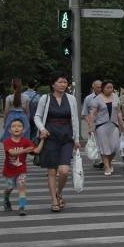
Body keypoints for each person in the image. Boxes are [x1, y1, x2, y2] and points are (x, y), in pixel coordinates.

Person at [34, 75, 81, 212]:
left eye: (65, 82)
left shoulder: (71, 99)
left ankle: (58, 193)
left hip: (66, 137)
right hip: (50, 137)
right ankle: (54, 200)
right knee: (52, 171)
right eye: (60, 82)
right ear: (53, 84)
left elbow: (75, 119)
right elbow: (37, 116)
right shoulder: (46, 98)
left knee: (64, 171)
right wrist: (42, 129)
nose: (63, 84)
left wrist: (77, 139)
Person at [1, 117, 40, 216]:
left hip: (21, 169)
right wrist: (25, 150)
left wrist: (43, 139)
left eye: (19, 126)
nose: (16, 128)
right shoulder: (7, 142)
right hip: (9, 170)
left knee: (21, 187)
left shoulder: (26, 141)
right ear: (9, 130)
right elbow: (12, 153)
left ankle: (22, 207)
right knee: (10, 187)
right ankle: (6, 196)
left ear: (23, 129)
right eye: (13, 126)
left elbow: (36, 151)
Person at [87, 81, 124, 177]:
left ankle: (108, 162)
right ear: (103, 88)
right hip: (101, 125)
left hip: (114, 125)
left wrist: (122, 124)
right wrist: (91, 127)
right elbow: (92, 114)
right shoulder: (97, 99)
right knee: (104, 147)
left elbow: (119, 112)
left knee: (115, 147)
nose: (110, 89)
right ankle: (107, 166)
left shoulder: (116, 97)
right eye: (107, 87)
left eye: (111, 87)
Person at [0, 79, 32, 147]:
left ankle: (11, 152)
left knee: (9, 134)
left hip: (11, 117)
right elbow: (27, 111)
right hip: (23, 117)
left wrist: (5, 122)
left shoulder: (9, 98)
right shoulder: (26, 97)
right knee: (23, 135)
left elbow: (6, 112)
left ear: (12, 87)